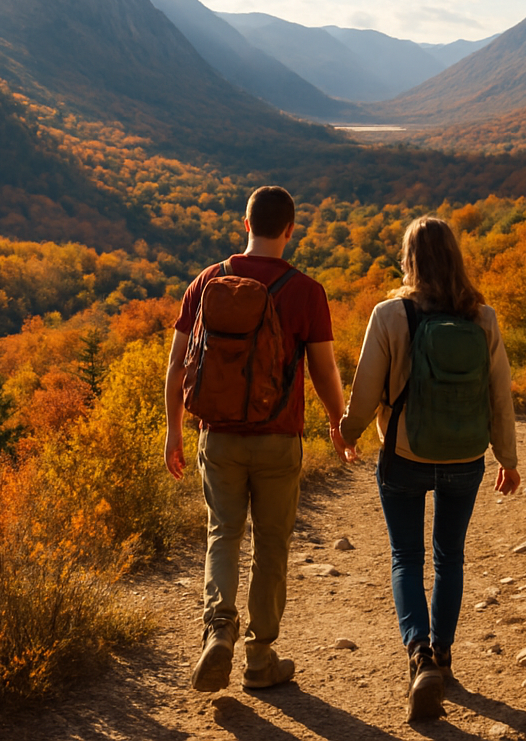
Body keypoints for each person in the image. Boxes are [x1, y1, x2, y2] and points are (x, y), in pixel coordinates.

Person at [164, 185, 348, 692]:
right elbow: (323, 370)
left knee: (222, 534)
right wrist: (338, 424)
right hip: (277, 440)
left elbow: (178, 364)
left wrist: (174, 429)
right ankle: (260, 658)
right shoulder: (306, 291)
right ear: (290, 230)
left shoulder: (207, 281)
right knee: (271, 544)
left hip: (217, 437)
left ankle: (217, 631)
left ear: (245, 225)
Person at [339, 215, 520, 722]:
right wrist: (507, 459)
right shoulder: (483, 318)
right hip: (466, 458)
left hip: (403, 456)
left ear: (409, 260)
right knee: (450, 558)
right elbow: (499, 397)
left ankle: (419, 655)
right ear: (455, 258)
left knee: (405, 558)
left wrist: (347, 435)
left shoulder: (390, 314)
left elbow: (365, 391)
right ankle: (443, 654)